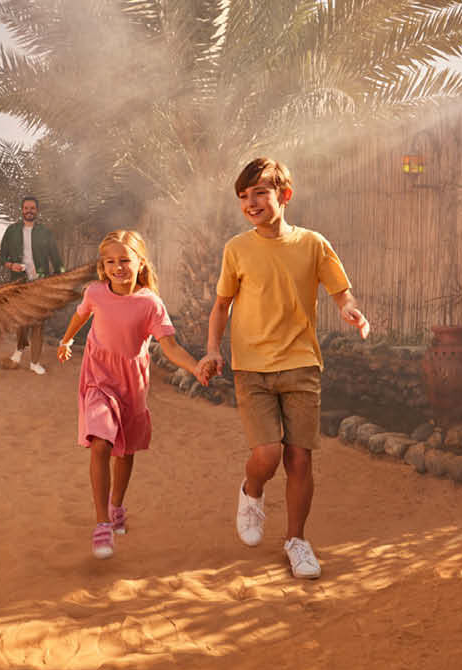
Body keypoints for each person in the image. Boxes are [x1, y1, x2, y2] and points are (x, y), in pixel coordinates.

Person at [197, 158, 368, 580]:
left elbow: (340, 291)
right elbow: (222, 305)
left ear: (284, 195)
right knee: (267, 454)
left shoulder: (312, 243)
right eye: (243, 196)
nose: (250, 203)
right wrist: (210, 350)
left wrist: (352, 312)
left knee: (299, 459)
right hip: (251, 366)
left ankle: (296, 541)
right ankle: (251, 491)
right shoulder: (237, 249)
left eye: (259, 193)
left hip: (301, 363)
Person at [54, 231, 207, 559]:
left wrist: (194, 368)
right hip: (98, 377)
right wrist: (66, 341)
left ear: (140, 263)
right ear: (102, 266)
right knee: (101, 443)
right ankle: (101, 524)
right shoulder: (95, 292)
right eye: (110, 261)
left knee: (124, 452)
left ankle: (117, 505)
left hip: (131, 384)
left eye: (125, 260)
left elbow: (171, 346)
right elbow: (81, 315)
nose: (118, 267)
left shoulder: (150, 302)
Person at [0, 196, 65, 375]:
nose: (29, 211)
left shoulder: (45, 232)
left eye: (32, 208)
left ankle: (34, 362)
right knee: (21, 322)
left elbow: (56, 259)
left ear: (37, 211)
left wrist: (60, 279)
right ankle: (19, 349)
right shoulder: (11, 231)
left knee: (38, 324)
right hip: (19, 284)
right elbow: (2, 257)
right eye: (26, 208)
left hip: (40, 284)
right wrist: (11, 266)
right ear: (22, 210)